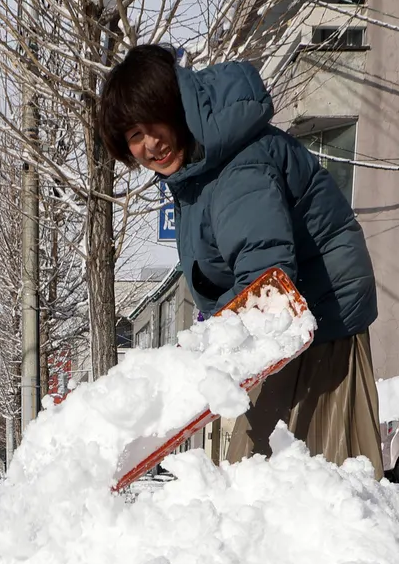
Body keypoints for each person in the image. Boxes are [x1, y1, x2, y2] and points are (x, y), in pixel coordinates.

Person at [97, 44, 382, 478]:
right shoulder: (198, 170)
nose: (149, 144)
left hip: (320, 325)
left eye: (152, 122)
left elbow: (267, 280)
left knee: (292, 476)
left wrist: (199, 372)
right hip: (293, 321)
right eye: (134, 136)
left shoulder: (234, 168)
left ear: (176, 107)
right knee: (259, 477)